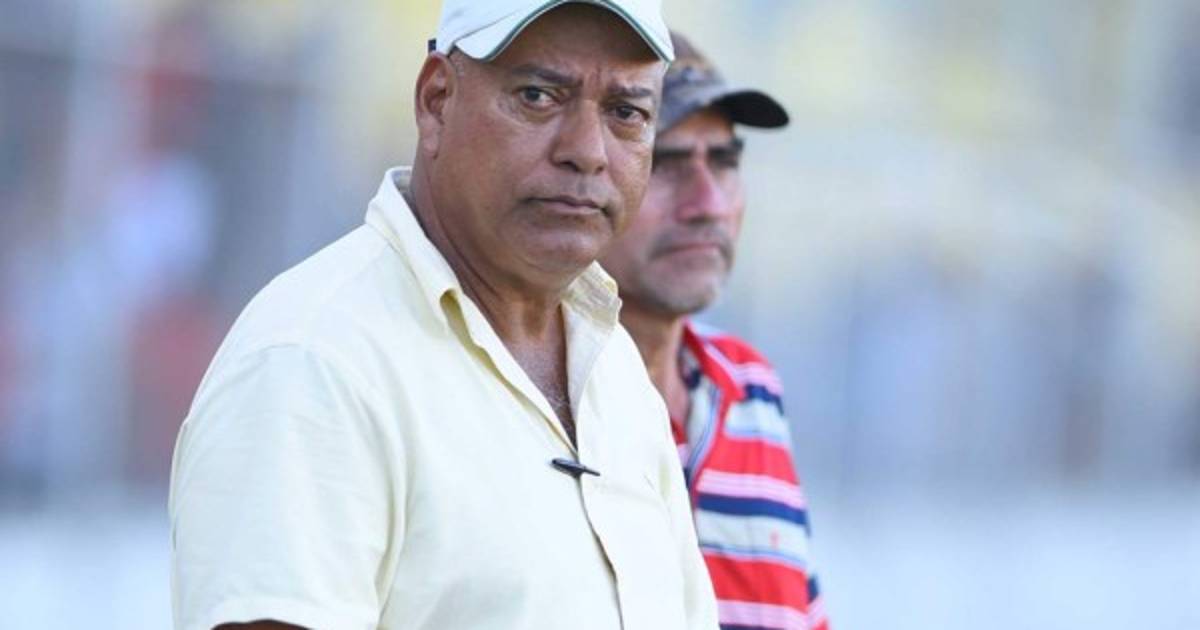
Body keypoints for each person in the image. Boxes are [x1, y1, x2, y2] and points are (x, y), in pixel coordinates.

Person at [168, 2, 719, 629]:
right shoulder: (313, 361)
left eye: (626, 113)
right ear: (436, 101)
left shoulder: (612, 366)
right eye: (538, 96)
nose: (587, 151)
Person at [599, 32, 830, 630]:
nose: (707, 203)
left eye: (724, 162)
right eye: (665, 165)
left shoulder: (750, 391)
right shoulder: (535, 391)